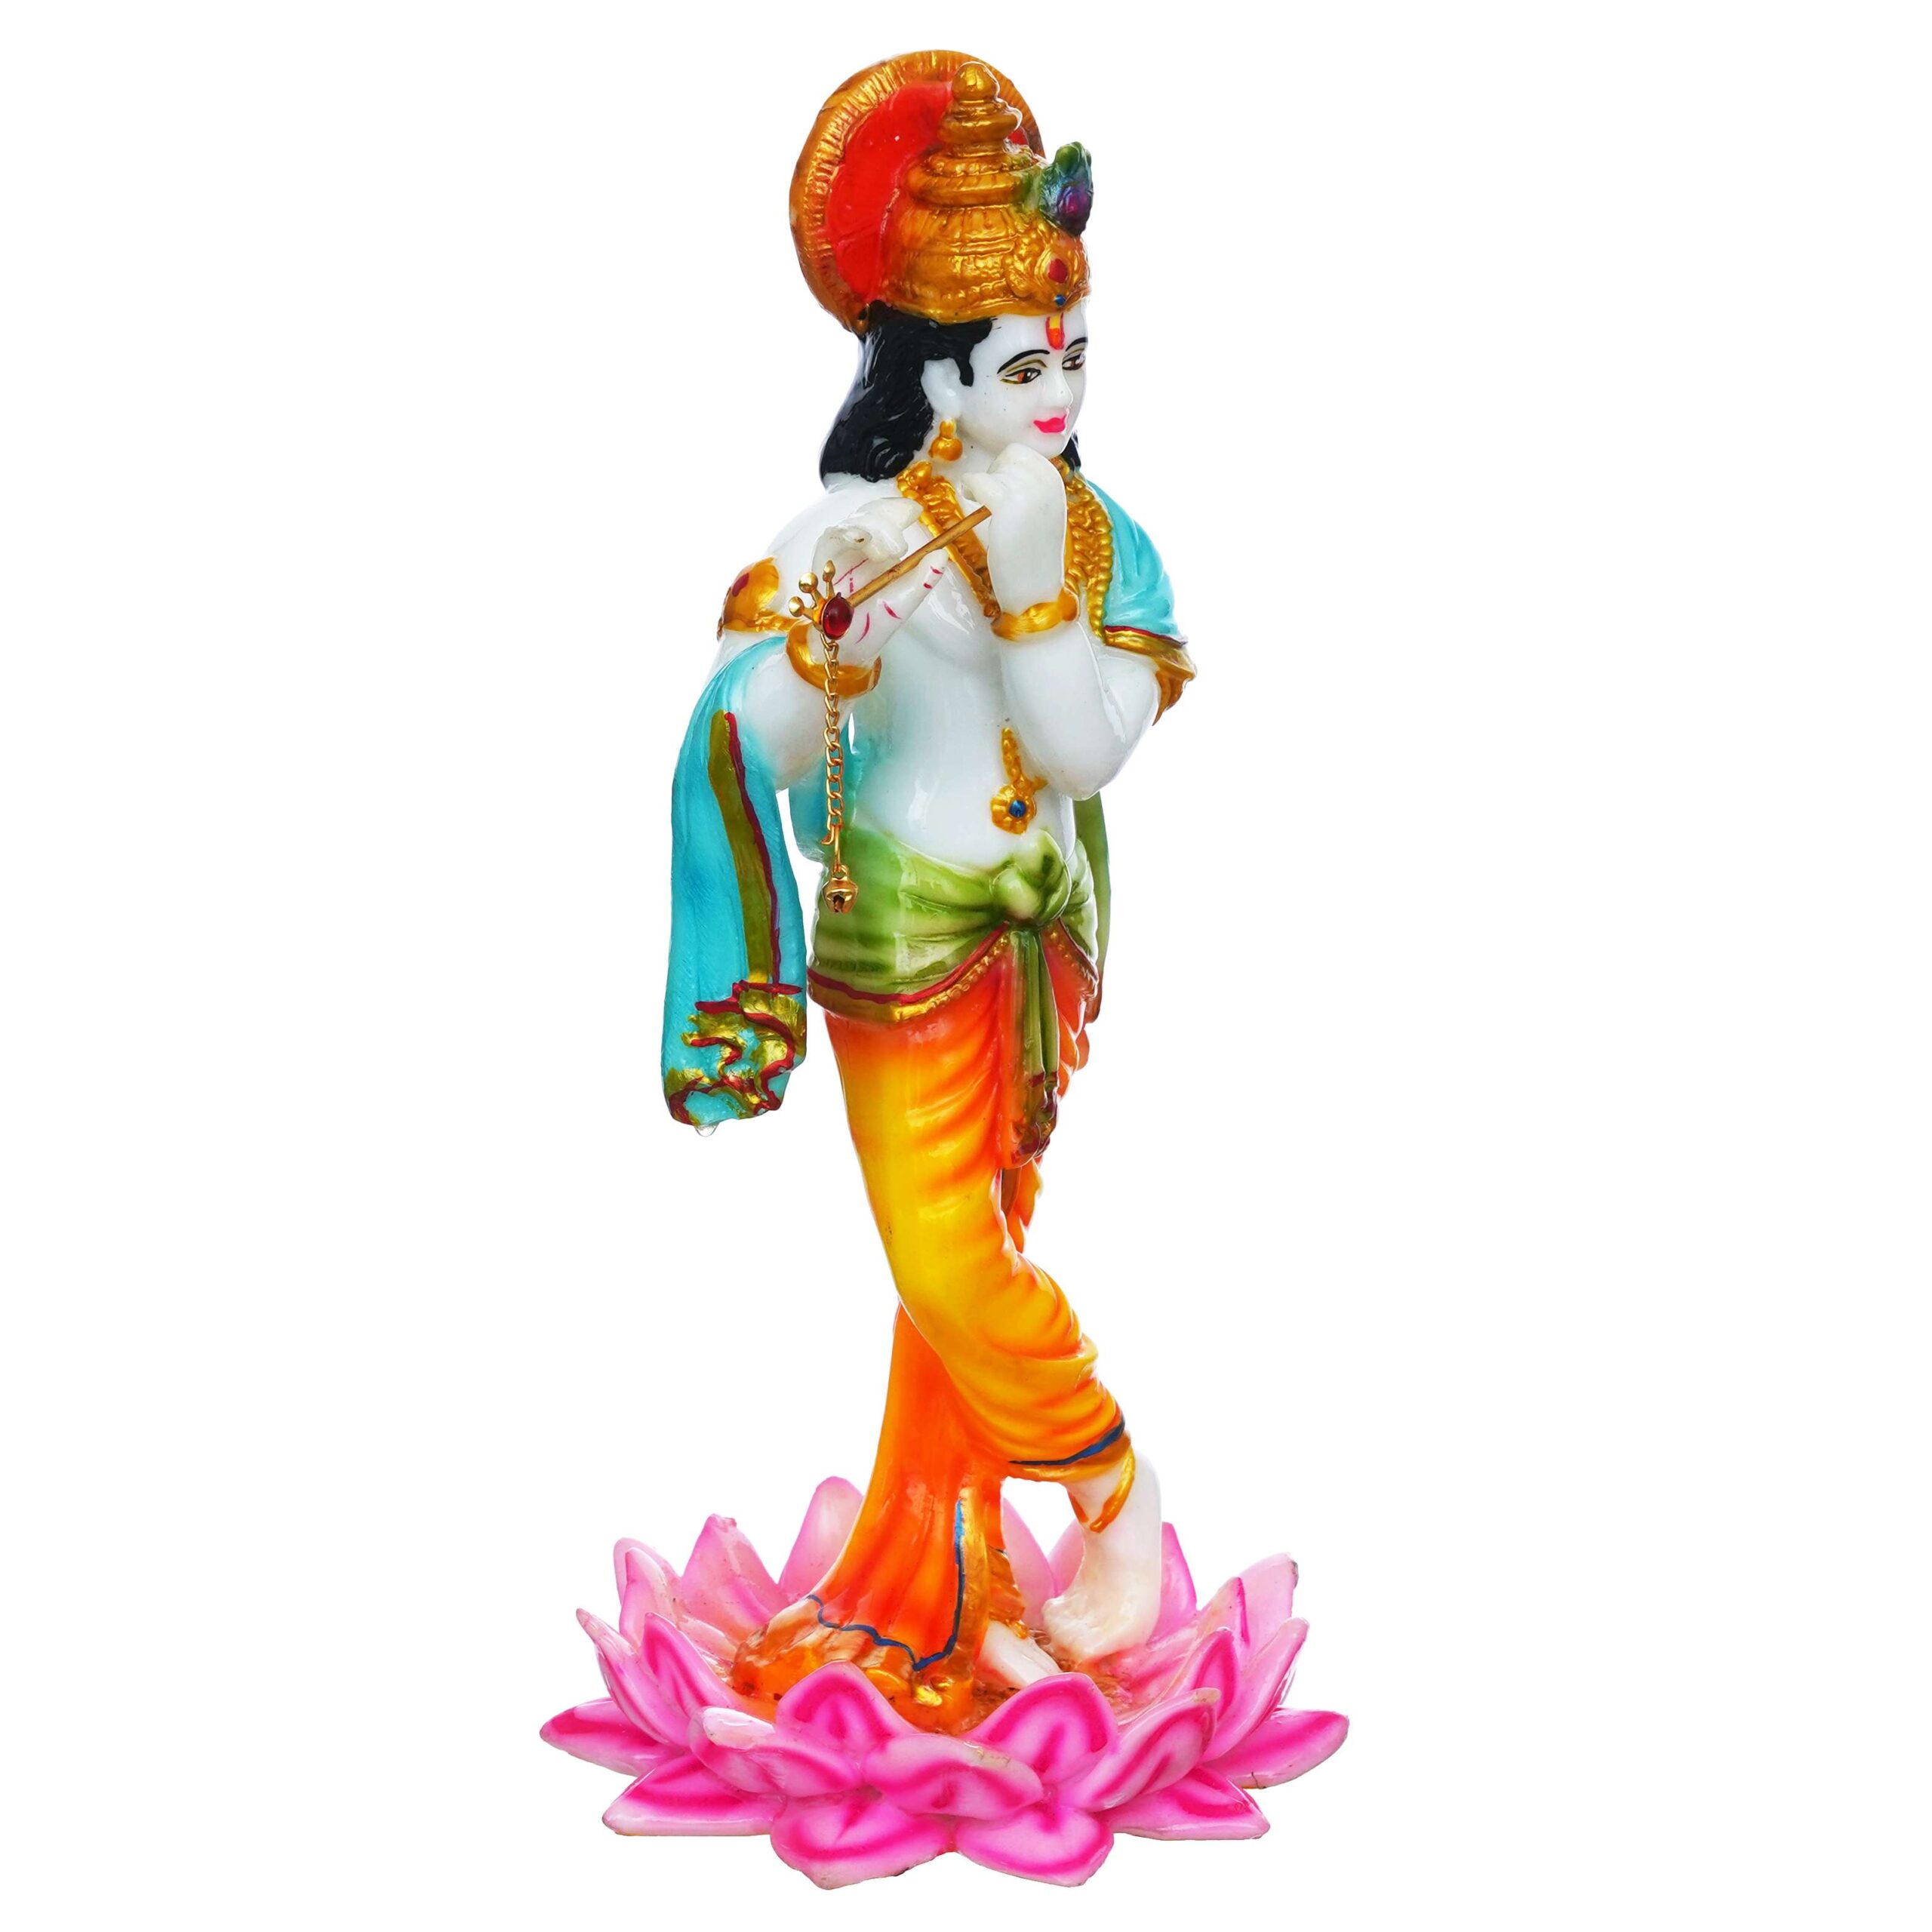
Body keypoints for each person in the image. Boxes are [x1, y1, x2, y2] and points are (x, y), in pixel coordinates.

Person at [662, 54, 1194, 1726]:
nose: (1059, 392)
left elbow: (1089, 750)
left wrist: (1031, 598)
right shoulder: (847, 535)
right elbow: (752, 741)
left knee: (962, 1271)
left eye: (1075, 355)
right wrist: (828, 656)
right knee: (947, 1265)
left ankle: (948, 1593)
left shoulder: (1095, 540)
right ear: (935, 372)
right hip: (898, 935)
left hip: (1044, 938)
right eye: (1022, 364)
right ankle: (1112, 1497)